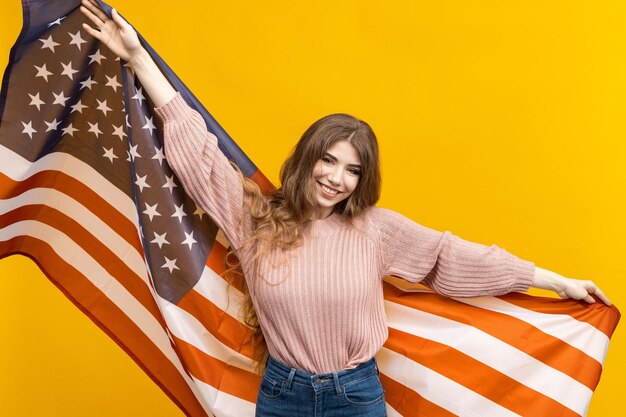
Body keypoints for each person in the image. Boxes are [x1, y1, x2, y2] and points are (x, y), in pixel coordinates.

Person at [79, 1, 612, 416]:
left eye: (353, 169)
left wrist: (554, 281)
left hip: (356, 396)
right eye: (328, 161)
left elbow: (450, 258)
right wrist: (138, 58)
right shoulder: (255, 219)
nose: (337, 178)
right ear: (307, 158)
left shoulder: (374, 231)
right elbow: (196, 151)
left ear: (363, 179)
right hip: (283, 395)